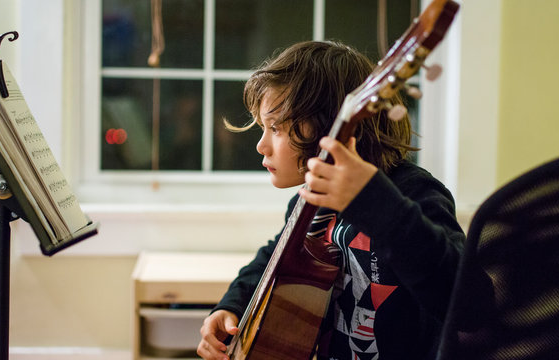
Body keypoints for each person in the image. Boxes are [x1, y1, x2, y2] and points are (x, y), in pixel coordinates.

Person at [197, 40, 469, 360]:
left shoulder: (411, 193)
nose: (261, 146)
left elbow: (468, 303)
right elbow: (274, 259)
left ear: (327, 127)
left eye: (275, 128)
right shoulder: (313, 201)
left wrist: (374, 201)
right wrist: (232, 305)